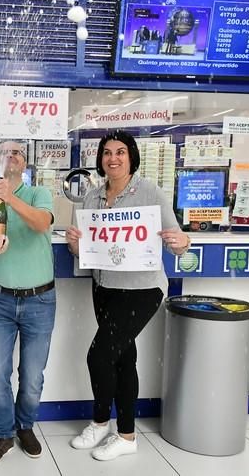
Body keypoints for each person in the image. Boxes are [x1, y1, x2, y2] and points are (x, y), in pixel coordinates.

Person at [65, 131, 190, 462]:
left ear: (131, 156)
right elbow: (84, 249)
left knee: (99, 355)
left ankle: (102, 422)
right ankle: (125, 434)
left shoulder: (149, 192)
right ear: (100, 159)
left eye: (120, 152)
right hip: (104, 286)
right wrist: (75, 243)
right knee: (122, 359)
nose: (113, 158)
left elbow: (177, 237)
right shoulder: (92, 197)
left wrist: (180, 243)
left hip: (142, 289)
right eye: (107, 153)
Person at [0, 141, 56, 468]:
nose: (13, 156)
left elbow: (41, 223)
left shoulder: (39, 195)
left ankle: (26, 427)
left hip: (41, 300)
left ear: (25, 163)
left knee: (32, 375)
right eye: (6, 152)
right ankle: (4, 433)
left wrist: (10, 199)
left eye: (19, 152)